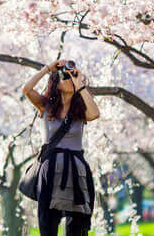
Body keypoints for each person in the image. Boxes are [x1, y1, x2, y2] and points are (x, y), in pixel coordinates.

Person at [22, 58, 101, 236]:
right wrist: (47, 69)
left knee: (77, 226)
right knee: (48, 223)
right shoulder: (45, 106)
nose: (70, 79)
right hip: (50, 169)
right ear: (56, 84)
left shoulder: (81, 111)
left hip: (76, 169)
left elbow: (95, 114)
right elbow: (26, 89)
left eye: (72, 76)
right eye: (66, 77)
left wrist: (79, 85)